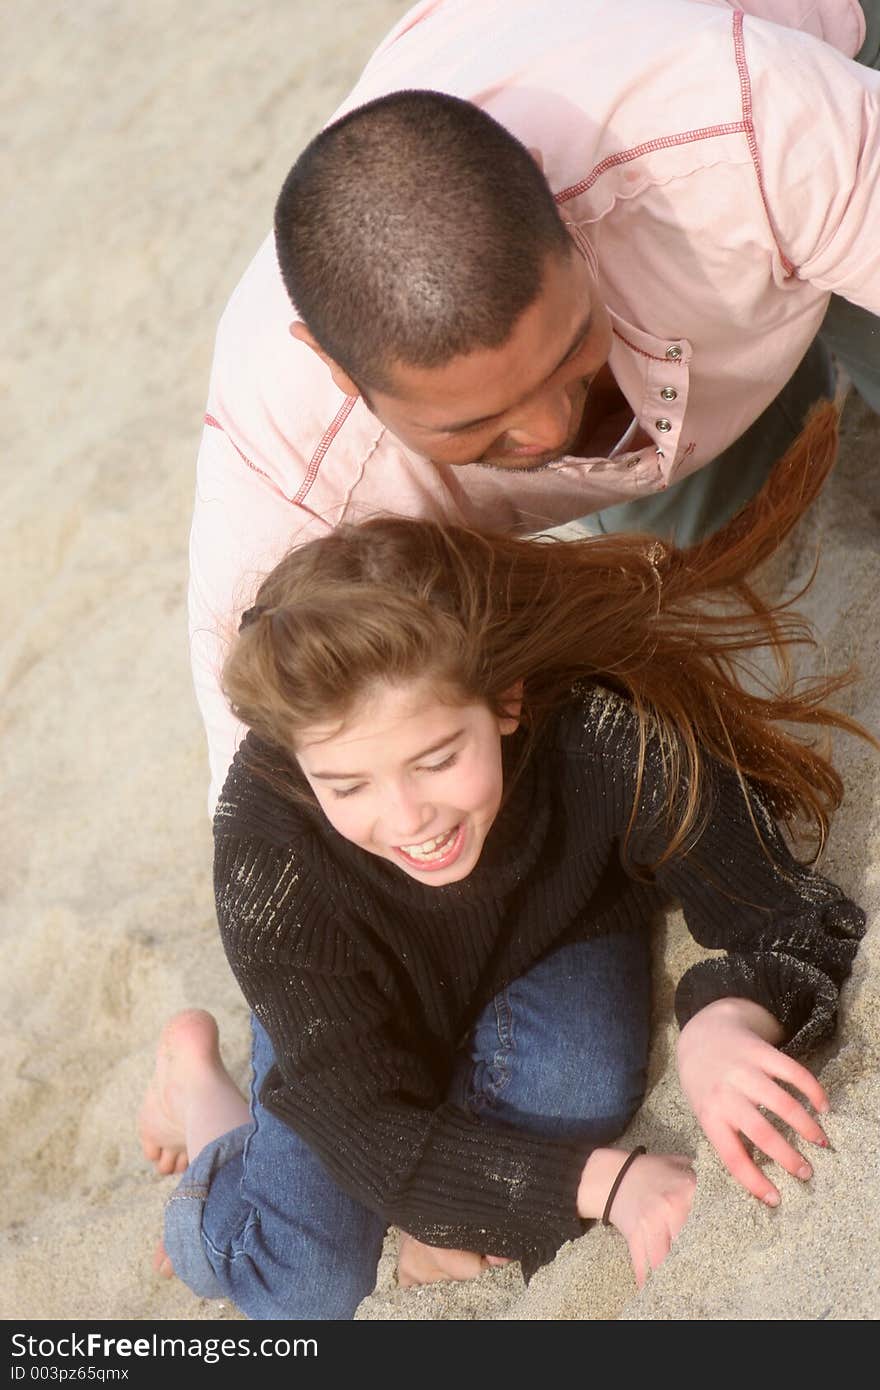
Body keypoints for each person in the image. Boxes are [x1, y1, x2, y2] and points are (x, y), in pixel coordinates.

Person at [143, 404, 871, 1319]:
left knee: (578, 1092)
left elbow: (789, 907)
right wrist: (610, 1185)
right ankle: (199, 1093)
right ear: (299, 764)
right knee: (301, 1285)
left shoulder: (600, 737)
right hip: (356, 1007)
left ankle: (452, 1192)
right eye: (348, 784)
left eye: (437, 759)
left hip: (544, 937)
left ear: (506, 700)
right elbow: (364, 1125)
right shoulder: (263, 847)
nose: (409, 818)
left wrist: (729, 1019)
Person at [189, 0, 880, 815]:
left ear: (562, 214)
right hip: (712, 289)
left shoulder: (744, 130)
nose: (552, 434)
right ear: (343, 378)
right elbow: (269, 822)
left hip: (805, 68)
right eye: (474, 426)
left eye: (569, 356)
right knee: (681, 566)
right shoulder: (294, 481)